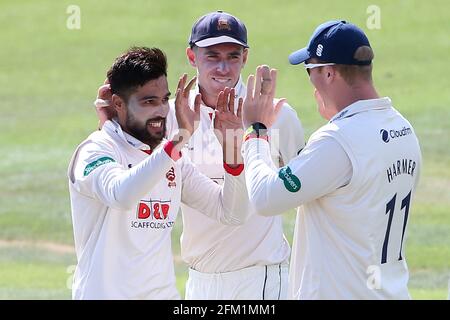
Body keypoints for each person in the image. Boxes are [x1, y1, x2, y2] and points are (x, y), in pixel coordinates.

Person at [241, 20, 422, 299]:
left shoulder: (338, 141)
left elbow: (266, 198)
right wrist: (337, 122)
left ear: (328, 73)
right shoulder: (403, 129)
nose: (310, 78)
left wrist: (256, 132)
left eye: (310, 70)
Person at [68, 47, 249, 299]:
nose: (162, 111)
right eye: (148, 102)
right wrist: (177, 141)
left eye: (164, 100)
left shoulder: (170, 159)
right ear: (118, 103)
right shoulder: (96, 150)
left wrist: (232, 153)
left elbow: (232, 213)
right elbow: (122, 194)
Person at [165, 11, 305, 300]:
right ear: (192, 57)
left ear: (245, 58)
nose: (224, 68)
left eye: (232, 56)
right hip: (198, 281)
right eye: (212, 56)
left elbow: (306, 197)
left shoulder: (276, 115)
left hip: (260, 281)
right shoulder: (172, 116)